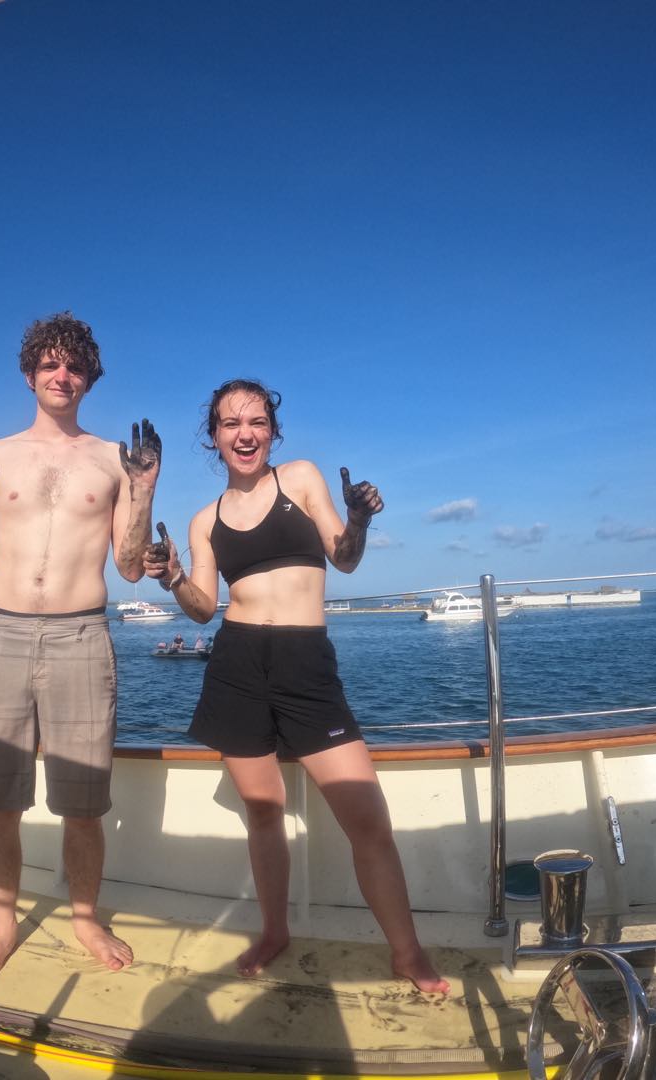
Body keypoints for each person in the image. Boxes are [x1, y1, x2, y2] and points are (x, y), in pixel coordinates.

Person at [143, 378, 448, 994]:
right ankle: (275, 931)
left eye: (256, 422)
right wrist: (173, 576)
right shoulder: (205, 520)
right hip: (236, 666)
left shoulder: (301, 479)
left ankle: (406, 951)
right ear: (214, 437)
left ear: (272, 432)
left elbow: (346, 556)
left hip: (306, 666)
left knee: (367, 819)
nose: (245, 434)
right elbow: (202, 610)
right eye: (231, 424)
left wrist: (358, 518)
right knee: (263, 813)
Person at [0, 312, 160, 981]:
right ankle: (3, 926)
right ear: (30, 374)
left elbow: (129, 566)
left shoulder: (114, 460)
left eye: (74, 366)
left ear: (90, 378)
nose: (62, 375)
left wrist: (144, 490)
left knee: (83, 806)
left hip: (81, 637)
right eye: (50, 363)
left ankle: (85, 920)